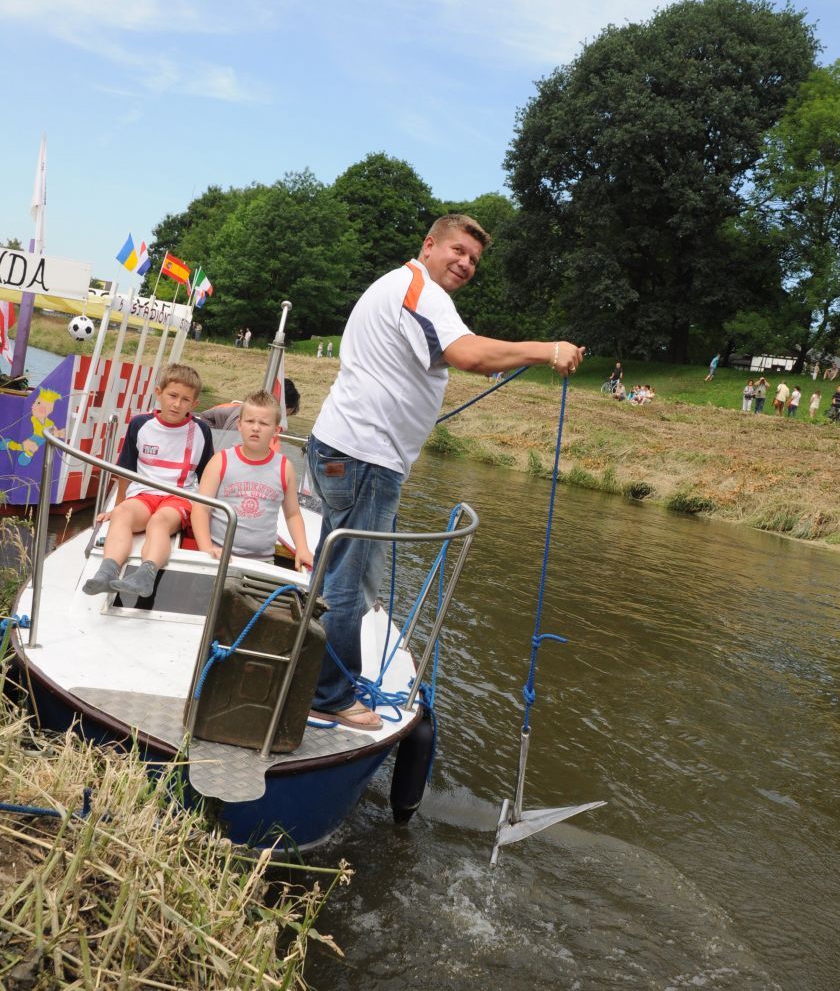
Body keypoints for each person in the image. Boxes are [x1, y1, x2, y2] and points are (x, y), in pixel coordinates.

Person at [307, 212, 584, 730]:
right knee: (350, 585)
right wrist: (549, 350)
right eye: (458, 251)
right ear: (429, 244)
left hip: (349, 449)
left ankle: (317, 675)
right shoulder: (421, 290)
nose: (465, 263)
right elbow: (470, 354)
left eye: (474, 259)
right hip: (364, 456)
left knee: (336, 572)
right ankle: (328, 695)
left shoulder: (404, 286)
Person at [83, 364, 214, 598]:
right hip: (143, 494)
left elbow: (207, 476)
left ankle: (146, 574)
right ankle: (107, 571)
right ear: (158, 393)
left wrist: (205, 516)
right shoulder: (140, 424)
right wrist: (117, 506)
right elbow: (126, 471)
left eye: (185, 400)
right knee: (123, 515)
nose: (177, 404)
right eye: (172, 396)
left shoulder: (201, 430)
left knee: (159, 522)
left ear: (194, 404)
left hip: (179, 497)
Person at [190, 391, 312, 568]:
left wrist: (302, 549)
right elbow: (201, 509)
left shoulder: (285, 468)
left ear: (276, 430)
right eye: (250, 421)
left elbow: (292, 514)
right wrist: (206, 549)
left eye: (263, 423)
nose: (256, 428)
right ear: (239, 425)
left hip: (263, 562)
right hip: (218, 555)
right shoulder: (219, 461)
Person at [200, 378, 300, 439]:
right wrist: (214, 440)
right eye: (285, 414)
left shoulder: (239, 409)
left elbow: (206, 415)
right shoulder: (254, 431)